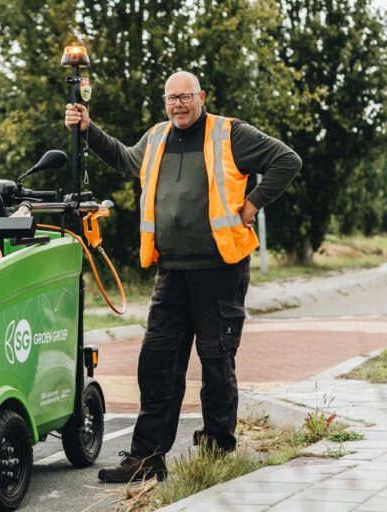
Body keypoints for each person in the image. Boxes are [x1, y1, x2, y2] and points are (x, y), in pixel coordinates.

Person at [64, 71, 301, 483]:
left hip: (220, 272)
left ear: (201, 97)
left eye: (186, 97)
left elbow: (287, 160)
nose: (178, 104)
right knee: (157, 364)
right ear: (165, 101)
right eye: (171, 98)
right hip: (171, 272)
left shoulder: (229, 133)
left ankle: (216, 454)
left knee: (216, 363)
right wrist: (88, 130)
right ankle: (147, 459)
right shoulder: (156, 137)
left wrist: (254, 204)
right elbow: (123, 158)